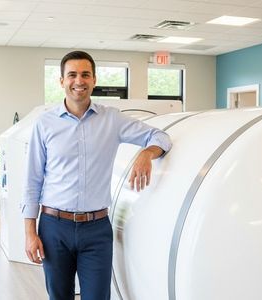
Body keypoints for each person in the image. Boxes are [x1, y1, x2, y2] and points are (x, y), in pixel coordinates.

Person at [22, 50, 171, 300]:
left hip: (97, 229)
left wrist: (146, 154)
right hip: (53, 227)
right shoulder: (44, 123)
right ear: (61, 81)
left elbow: (161, 137)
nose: (78, 81)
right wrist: (30, 233)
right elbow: (32, 180)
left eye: (85, 74)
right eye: (72, 75)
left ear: (94, 80)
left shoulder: (112, 119)